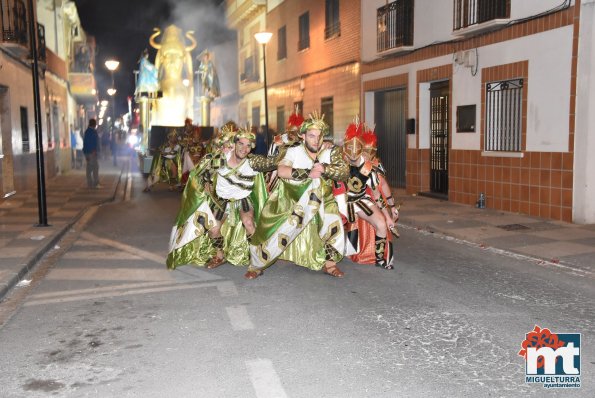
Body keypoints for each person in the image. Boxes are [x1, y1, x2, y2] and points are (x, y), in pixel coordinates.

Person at [245, 111, 349, 279]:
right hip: (293, 198)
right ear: (302, 136)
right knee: (272, 227)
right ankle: (257, 264)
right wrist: (309, 174)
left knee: (332, 220)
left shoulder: (331, 151)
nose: (316, 140)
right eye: (311, 136)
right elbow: (282, 171)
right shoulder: (293, 151)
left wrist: (325, 169)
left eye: (319, 136)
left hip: (322, 199)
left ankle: (330, 264)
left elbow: (344, 172)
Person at [166, 125, 277, 270]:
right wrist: (207, 183)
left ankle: (257, 257)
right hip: (222, 200)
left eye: (248, 145)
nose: (244, 148)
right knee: (213, 229)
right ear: (234, 144)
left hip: (243, 199)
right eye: (241, 144)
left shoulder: (253, 162)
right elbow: (203, 173)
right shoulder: (221, 158)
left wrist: (280, 145)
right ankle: (220, 255)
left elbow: (272, 163)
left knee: (248, 222)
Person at [342, 120, 394, 269]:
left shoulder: (369, 167)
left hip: (361, 200)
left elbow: (377, 195)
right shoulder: (338, 161)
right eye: (349, 147)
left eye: (355, 147)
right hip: (339, 201)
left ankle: (379, 259)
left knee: (381, 224)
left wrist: (388, 216)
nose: (352, 151)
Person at [82, 119, 100, 188]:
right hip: (91, 152)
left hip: (89, 152)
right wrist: (93, 151)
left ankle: (91, 183)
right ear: (94, 124)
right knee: (94, 168)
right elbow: (90, 142)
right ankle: (95, 183)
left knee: (90, 168)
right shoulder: (91, 132)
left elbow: (86, 143)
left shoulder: (88, 131)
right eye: (95, 124)